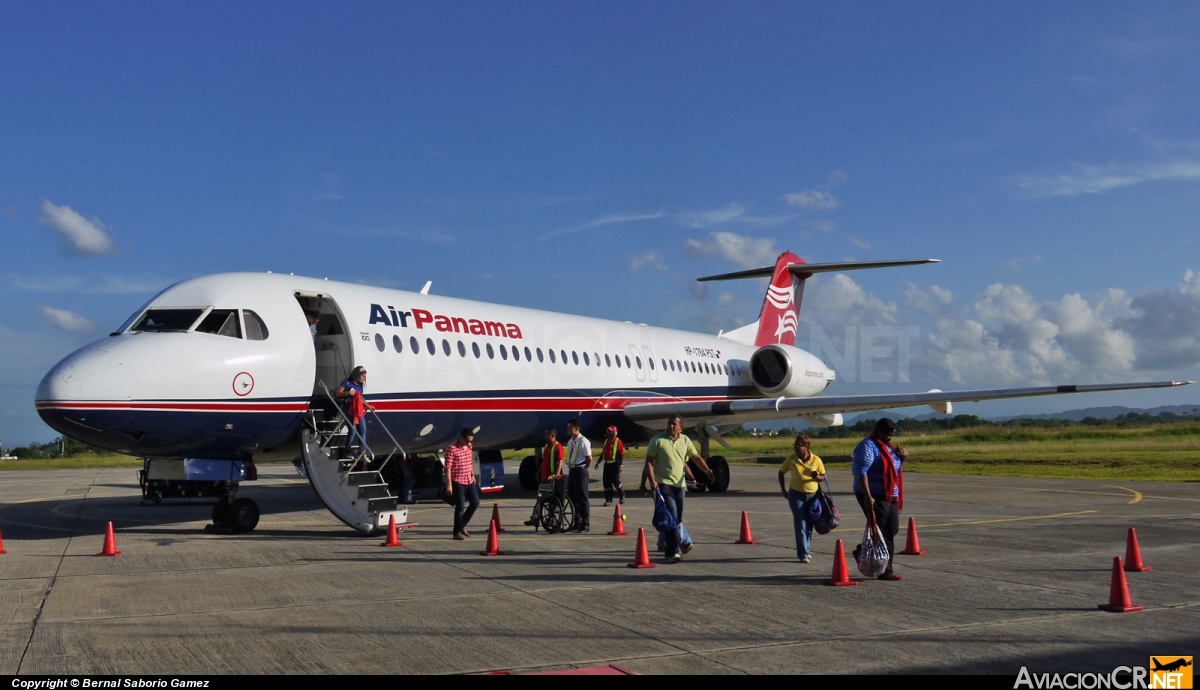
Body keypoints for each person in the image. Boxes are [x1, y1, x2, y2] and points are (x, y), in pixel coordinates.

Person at [644, 415, 715, 563]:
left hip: (680, 486)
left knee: (678, 520)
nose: (671, 426)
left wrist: (708, 471)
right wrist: (652, 481)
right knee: (672, 517)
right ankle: (672, 551)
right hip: (664, 484)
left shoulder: (685, 440)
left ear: (680, 427)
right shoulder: (658, 440)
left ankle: (671, 547)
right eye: (669, 423)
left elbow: (695, 458)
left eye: (674, 424)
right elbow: (649, 462)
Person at [852, 418, 908, 580]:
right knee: (884, 532)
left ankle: (863, 550)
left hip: (890, 493)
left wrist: (902, 457)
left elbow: (894, 469)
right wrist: (868, 497)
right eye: (888, 434)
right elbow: (860, 472)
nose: (890, 437)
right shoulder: (868, 447)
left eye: (893, 435)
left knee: (892, 529)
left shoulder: (888, 448)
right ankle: (886, 570)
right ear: (879, 431)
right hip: (874, 494)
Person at [778, 434, 826, 563]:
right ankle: (803, 553)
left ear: (807, 447)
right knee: (800, 523)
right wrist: (783, 490)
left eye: (799, 445)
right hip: (796, 495)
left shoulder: (816, 460)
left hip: (813, 496)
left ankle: (807, 549)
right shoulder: (791, 459)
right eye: (795, 445)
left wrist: (818, 477)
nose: (796, 448)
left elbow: (823, 476)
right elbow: (781, 472)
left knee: (810, 523)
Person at [444, 428, 480, 540]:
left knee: (475, 502)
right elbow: (448, 468)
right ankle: (456, 532)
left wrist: (473, 475)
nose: (469, 443)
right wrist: (449, 484)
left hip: (469, 480)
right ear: (461, 437)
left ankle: (461, 525)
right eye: (467, 440)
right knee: (460, 507)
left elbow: (469, 462)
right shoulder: (452, 449)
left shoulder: (469, 447)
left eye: (471, 441)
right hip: (458, 481)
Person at [524, 428, 565, 526]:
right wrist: (538, 472)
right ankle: (535, 518)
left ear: (552, 436)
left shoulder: (558, 447)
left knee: (553, 501)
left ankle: (553, 519)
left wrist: (556, 474)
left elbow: (560, 461)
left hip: (552, 479)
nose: (544, 436)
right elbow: (544, 461)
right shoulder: (547, 447)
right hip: (544, 478)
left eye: (546, 434)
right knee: (540, 498)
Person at [335, 366, 375, 463]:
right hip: (348, 409)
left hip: (358, 410)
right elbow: (338, 393)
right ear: (357, 375)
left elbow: (359, 398)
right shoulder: (347, 383)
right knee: (352, 430)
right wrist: (348, 393)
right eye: (363, 376)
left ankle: (362, 453)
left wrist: (367, 405)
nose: (364, 379)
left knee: (363, 429)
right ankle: (347, 451)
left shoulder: (360, 386)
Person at [564, 419, 592, 532]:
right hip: (572, 471)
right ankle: (577, 522)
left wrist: (584, 468)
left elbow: (589, 459)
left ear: (576, 429)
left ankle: (586, 523)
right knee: (573, 498)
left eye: (570, 427)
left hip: (580, 470)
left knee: (582, 498)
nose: (568, 429)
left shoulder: (584, 441)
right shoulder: (570, 441)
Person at [598, 425, 626, 506]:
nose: (608, 433)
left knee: (616, 482)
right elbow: (603, 453)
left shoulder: (618, 442)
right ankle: (609, 500)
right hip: (607, 465)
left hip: (615, 464)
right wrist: (598, 462)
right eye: (608, 431)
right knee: (606, 482)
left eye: (610, 431)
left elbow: (621, 454)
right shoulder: (606, 441)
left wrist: (620, 465)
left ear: (614, 433)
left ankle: (621, 494)